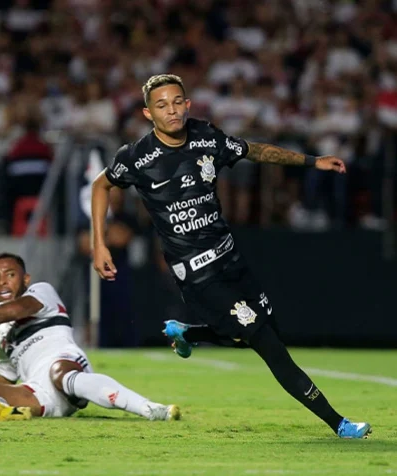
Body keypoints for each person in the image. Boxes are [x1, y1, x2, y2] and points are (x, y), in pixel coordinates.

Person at [89, 74, 371, 439]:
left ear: (188, 104)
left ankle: (190, 334)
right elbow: (101, 184)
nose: (171, 110)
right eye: (161, 105)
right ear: (148, 113)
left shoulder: (207, 137)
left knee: (258, 329)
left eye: (177, 101)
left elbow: (253, 150)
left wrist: (311, 161)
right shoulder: (138, 157)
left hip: (231, 259)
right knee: (268, 345)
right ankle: (340, 424)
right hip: (198, 276)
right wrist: (100, 243)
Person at [0, 253, 180, 422]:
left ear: (25, 279)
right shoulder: (2, 335)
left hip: (68, 369)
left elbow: (16, 310)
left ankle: (150, 409)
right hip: (40, 396)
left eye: (10, 275)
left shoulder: (41, 292)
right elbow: (3, 384)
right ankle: (10, 415)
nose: (2, 282)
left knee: (61, 373)